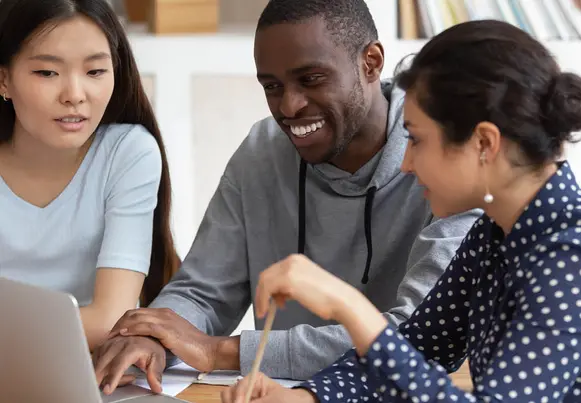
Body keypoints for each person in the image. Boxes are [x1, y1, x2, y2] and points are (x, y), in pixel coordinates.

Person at [92, 0, 479, 393]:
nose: (289, 106)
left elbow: (419, 337)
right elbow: (203, 289)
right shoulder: (263, 149)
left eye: (311, 79)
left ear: (371, 62)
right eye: (272, 86)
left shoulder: (445, 165)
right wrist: (152, 336)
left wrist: (220, 352)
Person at [221, 19, 581, 403]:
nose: (406, 163)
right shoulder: (493, 234)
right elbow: (417, 348)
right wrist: (308, 397)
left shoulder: (568, 256)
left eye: (417, 140)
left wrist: (349, 307)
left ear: (483, 142)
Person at [0, 0, 179, 351]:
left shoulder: (128, 153)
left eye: (95, 72)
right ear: (3, 79)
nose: (75, 96)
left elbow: (112, 318)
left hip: (89, 376)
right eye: (46, 73)